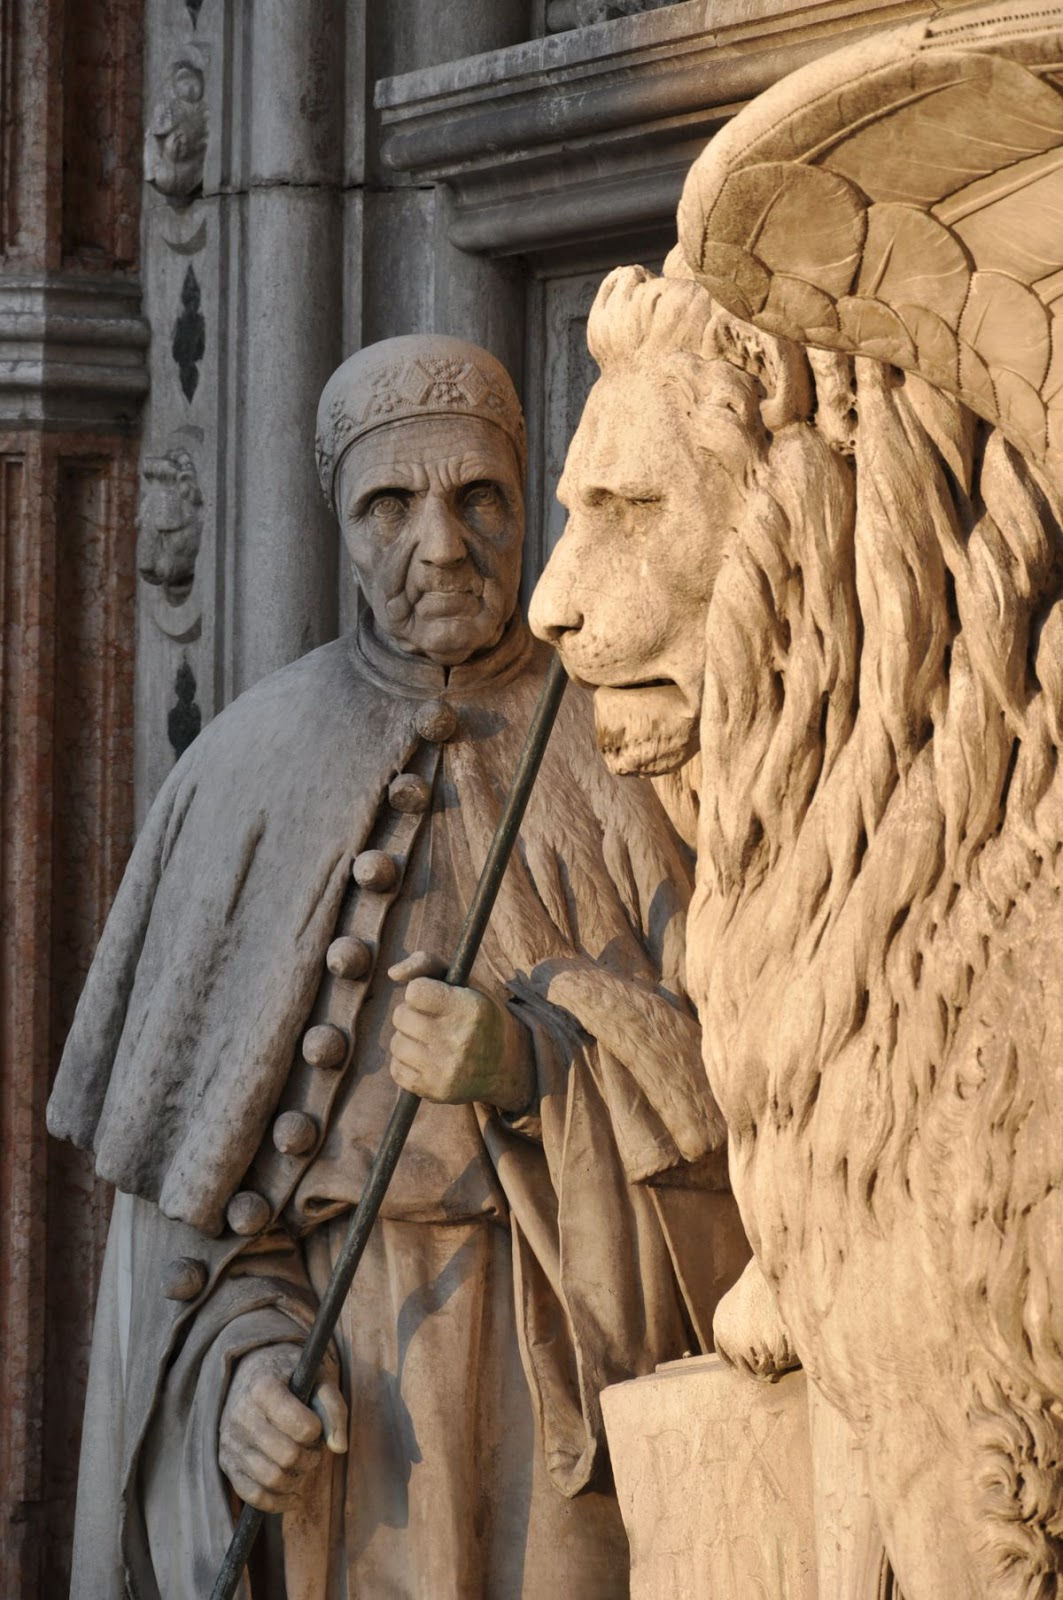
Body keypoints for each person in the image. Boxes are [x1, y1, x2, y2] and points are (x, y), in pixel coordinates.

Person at [48, 334, 748, 1599]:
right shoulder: (244, 770)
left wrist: (536, 1061)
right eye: (390, 504)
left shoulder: (637, 737)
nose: (440, 545)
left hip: (576, 1357)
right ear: (337, 523)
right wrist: (238, 1377)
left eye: (477, 497)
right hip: (343, 1405)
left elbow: (763, 1097)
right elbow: (184, 1222)